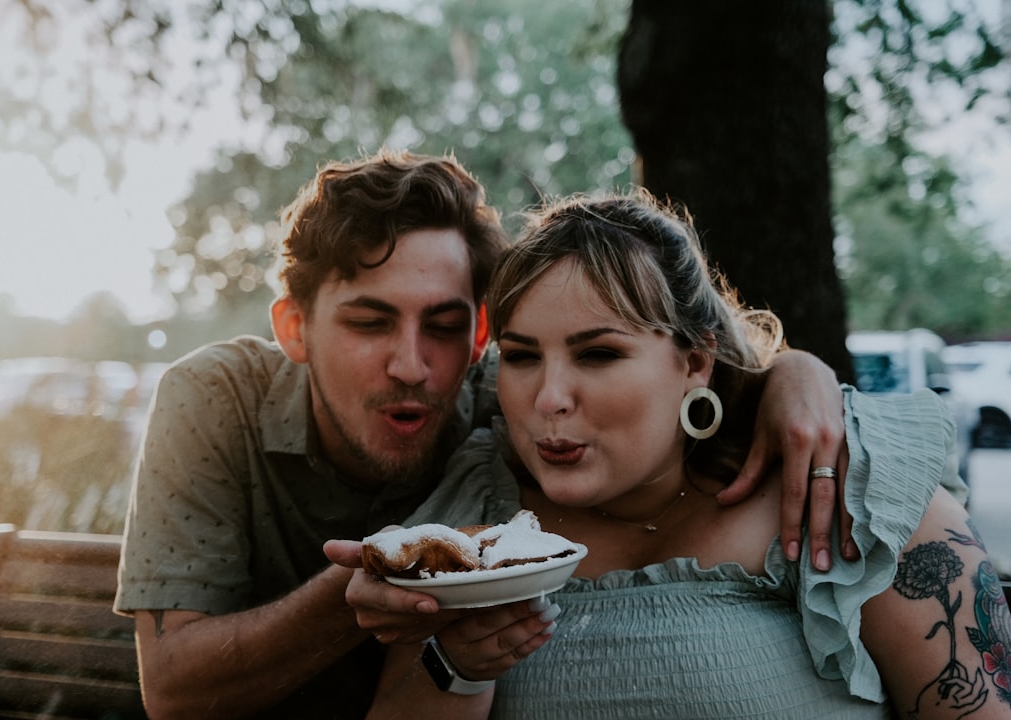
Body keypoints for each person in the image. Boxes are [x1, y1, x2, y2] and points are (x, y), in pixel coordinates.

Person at [114, 151, 853, 720]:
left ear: (479, 336)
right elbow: (172, 692)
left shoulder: (512, 393)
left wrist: (790, 374)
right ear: (294, 328)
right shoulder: (214, 399)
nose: (412, 366)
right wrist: (364, 590)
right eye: (370, 322)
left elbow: (657, 367)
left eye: (444, 327)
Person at [349, 189, 1008, 718]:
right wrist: (459, 666)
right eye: (521, 357)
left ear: (694, 360)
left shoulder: (848, 484)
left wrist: (796, 369)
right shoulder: (473, 522)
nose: (548, 398)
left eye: (598, 354)